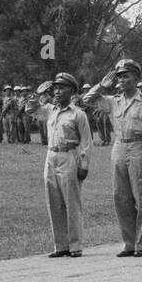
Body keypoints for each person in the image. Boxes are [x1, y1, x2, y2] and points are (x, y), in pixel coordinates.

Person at [80, 58, 142, 257]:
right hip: (118, 147)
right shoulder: (112, 101)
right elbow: (86, 100)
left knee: (140, 198)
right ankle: (129, 243)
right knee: (121, 198)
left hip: (138, 147)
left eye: (126, 76)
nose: (121, 80)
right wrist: (102, 85)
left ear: (136, 78)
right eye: (119, 76)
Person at [44, 72, 92, 257]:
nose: (57, 91)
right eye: (55, 88)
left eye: (62, 88)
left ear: (71, 91)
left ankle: (75, 245)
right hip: (51, 155)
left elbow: (86, 142)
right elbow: (30, 110)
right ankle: (60, 245)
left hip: (69, 155)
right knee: (53, 202)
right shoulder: (50, 110)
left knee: (71, 203)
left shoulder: (78, 114)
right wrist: (38, 94)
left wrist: (84, 165)